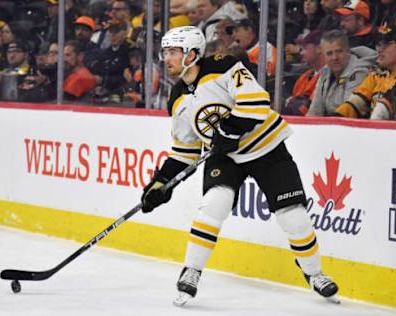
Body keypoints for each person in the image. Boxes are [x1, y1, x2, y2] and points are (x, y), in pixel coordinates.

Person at [140, 26, 339, 306]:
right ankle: (192, 271)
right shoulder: (177, 99)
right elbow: (185, 152)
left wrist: (230, 131)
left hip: (266, 147)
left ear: (192, 54)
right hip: (225, 155)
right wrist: (162, 182)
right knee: (213, 205)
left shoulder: (224, 66)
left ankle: (314, 273)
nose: (166, 58)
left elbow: (257, 102)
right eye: (166, 52)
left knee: (294, 217)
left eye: (173, 52)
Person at [334, 28, 396, 120]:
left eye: (386, 45)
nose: (379, 50)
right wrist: (335, 119)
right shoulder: (376, 76)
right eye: (378, 45)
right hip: (376, 130)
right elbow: (355, 103)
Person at [307, 30, 376, 116]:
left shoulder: (359, 72)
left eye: (339, 51)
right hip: (331, 124)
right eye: (329, 53)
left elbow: (348, 112)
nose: (335, 57)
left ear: (348, 51)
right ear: (323, 56)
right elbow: (315, 110)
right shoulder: (325, 72)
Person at [283, 30, 325, 116]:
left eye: (305, 48)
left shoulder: (330, 76)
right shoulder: (304, 77)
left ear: (319, 49)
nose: (301, 53)